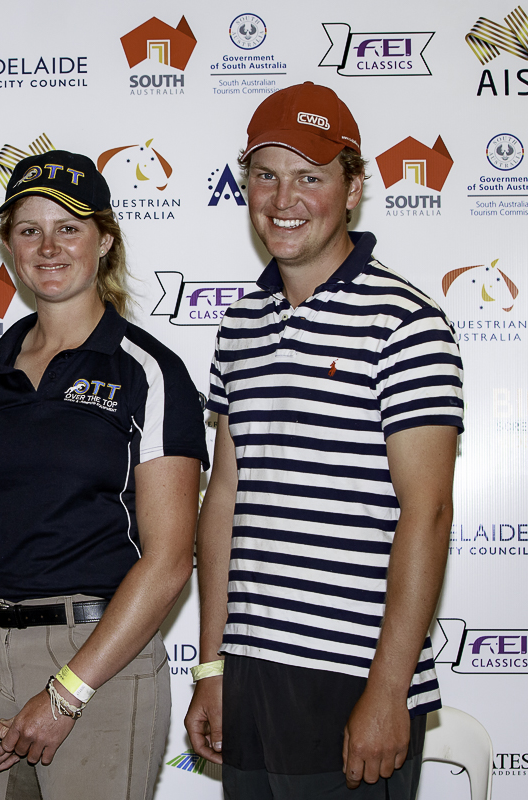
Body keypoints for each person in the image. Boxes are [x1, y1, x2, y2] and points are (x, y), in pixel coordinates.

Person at [183, 82, 464, 799]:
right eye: (266, 175)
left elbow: (426, 512)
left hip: (353, 678)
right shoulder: (240, 327)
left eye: (310, 176)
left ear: (353, 185)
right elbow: (224, 499)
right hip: (249, 674)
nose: (284, 198)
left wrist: (387, 690)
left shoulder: (406, 322)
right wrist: (213, 667)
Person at [0, 150, 209, 800]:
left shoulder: (147, 371)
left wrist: (66, 694)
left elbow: (169, 560)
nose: (48, 247)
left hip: (99, 663)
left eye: (69, 227)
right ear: (9, 244)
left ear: (104, 240)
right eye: (29, 230)